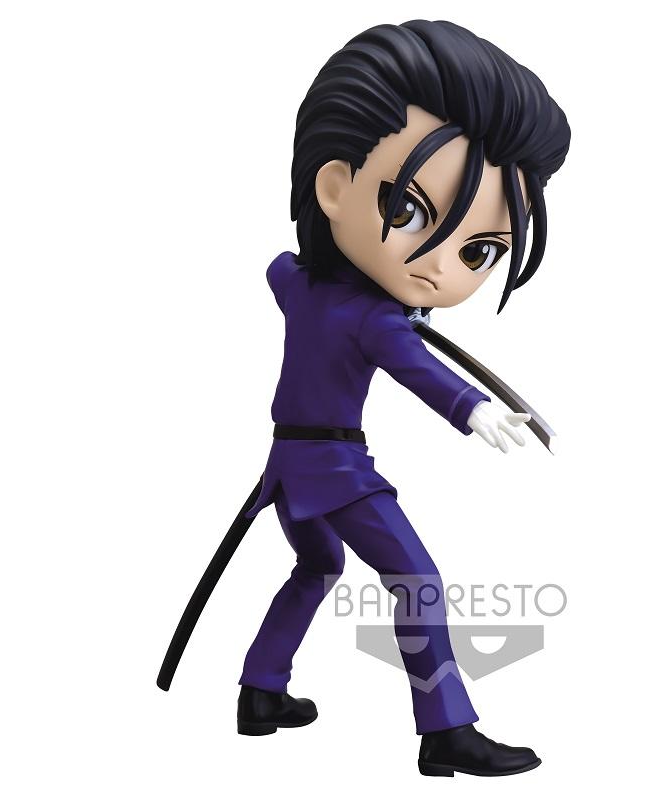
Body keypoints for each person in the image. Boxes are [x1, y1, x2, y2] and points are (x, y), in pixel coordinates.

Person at [237, 19, 571, 778]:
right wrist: (474, 408)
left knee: (317, 567)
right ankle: (445, 730)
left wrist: (367, 284)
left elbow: (282, 270)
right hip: (333, 468)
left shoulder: (303, 286)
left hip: (287, 464)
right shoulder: (376, 319)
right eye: (412, 211)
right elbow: (416, 368)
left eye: (479, 251)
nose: (440, 269)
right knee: (416, 581)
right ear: (334, 186)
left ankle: (261, 689)